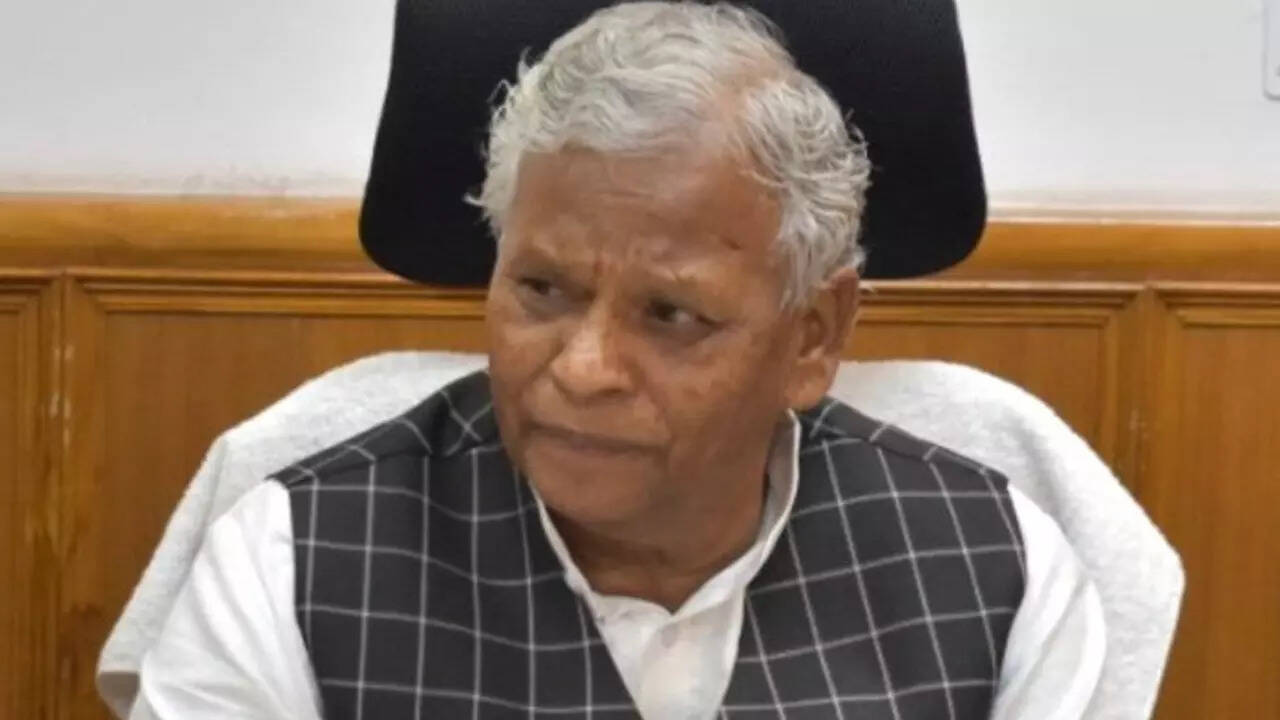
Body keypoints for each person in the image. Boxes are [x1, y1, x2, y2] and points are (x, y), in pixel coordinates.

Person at [130, 3, 1104, 718]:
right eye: (541, 290)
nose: (583, 368)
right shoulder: (290, 562)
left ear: (811, 338)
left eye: (670, 314)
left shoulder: (998, 572)